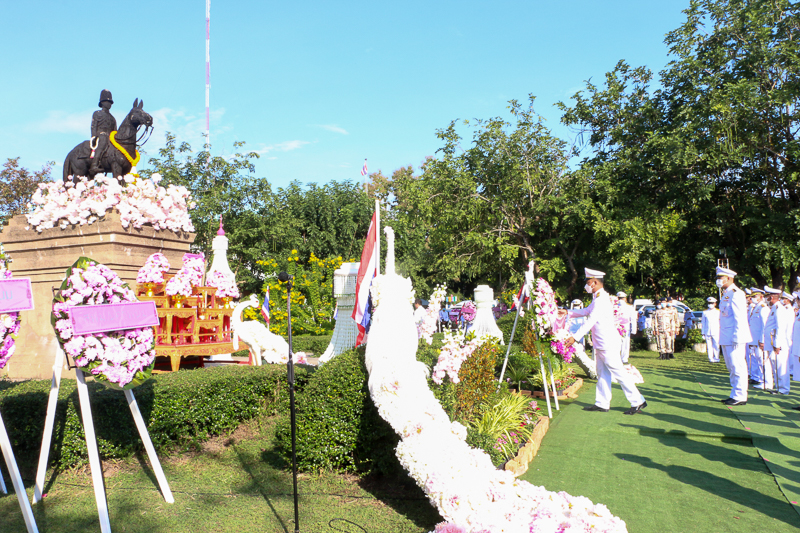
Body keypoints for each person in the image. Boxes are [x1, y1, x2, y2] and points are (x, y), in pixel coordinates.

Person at [561, 268, 646, 415]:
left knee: (618, 372)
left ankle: (638, 401)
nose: (586, 285)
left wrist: (575, 336)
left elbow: (590, 320)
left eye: (588, 282)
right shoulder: (598, 297)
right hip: (601, 342)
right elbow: (587, 311)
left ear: (594, 282)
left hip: (607, 342)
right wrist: (568, 312)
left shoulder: (601, 299)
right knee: (602, 373)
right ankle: (602, 403)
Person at [716, 266, 752, 405]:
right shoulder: (726, 293)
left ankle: (741, 396)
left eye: (720, 278)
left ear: (729, 278)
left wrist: (738, 336)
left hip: (735, 336)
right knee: (731, 367)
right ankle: (735, 393)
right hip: (726, 336)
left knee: (738, 366)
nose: (719, 280)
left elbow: (740, 317)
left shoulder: (737, 293)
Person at [760, 288, 793, 395]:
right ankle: (779, 388)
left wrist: (777, 344)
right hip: (773, 342)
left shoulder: (779, 308)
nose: (766, 299)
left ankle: (783, 389)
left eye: (767, 297)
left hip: (778, 343)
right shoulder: (775, 308)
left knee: (781, 366)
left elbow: (780, 327)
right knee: (775, 366)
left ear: (771, 297)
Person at [89, 89, 117, 176]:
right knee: (103, 141)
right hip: (101, 135)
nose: (109, 104)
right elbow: (93, 126)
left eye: (110, 102)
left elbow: (115, 131)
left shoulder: (112, 118)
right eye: (107, 102)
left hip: (110, 137)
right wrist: (94, 136)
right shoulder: (97, 113)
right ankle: (94, 164)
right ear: (103, 103)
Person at [747, 288, 769, 387]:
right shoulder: (755, 307)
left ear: (761, 297)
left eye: (755, 296)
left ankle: (763, 380)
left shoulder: (763, 308)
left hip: (759, 339)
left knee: (761, 360)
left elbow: (764, 326)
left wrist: (762, 340)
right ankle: (756, 378)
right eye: (752, 297)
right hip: (754, 339)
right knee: (755, 359)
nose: (753, 298)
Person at [616, 291, 636, 364]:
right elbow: (633, 318)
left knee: (617, 343)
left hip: (617, 327)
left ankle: (618, 358)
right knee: (625, 343)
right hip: (625, 327)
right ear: (625, 298)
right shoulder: (629, 307)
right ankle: (624, 359)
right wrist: (633, 329)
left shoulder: (614, 306)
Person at [702, 297, 721, 363]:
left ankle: (717, 357)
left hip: (716, 331)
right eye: (709, 303)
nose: (710, 304)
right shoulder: (705, 312)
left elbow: (720, 322)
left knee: (716, 345)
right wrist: (703, 333)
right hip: (707, 331)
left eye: (712, 303)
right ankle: (710, 358)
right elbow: (703, 323)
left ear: (715, 304)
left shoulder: (718, 312)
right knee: (709, 346)